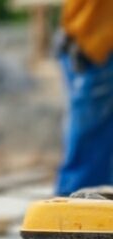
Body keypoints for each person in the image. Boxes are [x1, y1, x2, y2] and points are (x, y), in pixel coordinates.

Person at [55, 0, 113, 196]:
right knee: (90, 153)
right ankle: (71, 219)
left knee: (98, 146)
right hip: (97, 46)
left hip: (91, 42)